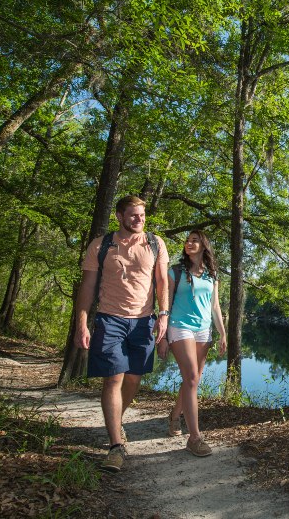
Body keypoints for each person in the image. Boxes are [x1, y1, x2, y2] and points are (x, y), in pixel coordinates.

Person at [74, 195, 169, 472]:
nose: (139, 219)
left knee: (133, 380)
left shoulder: (155, 243)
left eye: (142, 215)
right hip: (109, 319)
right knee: (113, 379)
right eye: (133, 215)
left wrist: (163, 314)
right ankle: (116, 446)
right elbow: (88, 287)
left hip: (143, 322)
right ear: (119, 216)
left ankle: (116, 421)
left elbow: (162, 281)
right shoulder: (101, 246)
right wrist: (82, 322)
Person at [157, 230, 227, 457]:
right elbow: (164, 303)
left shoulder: (212, 274)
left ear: (204, 245)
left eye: (194, 240)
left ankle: (175, 416)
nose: (189, 243)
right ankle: (195, 438)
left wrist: (223, 334)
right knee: (192, 378)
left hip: (203, 331)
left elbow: (215, 307)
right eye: (187, 240)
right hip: (180, 326)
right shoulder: (175, 272)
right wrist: (164, 335)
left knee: (192, 381)